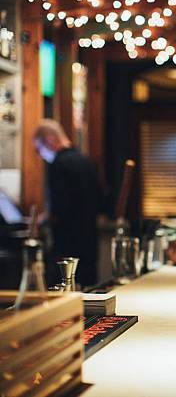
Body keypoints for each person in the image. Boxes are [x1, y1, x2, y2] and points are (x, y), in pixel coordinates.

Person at [34, 119, 100, 287]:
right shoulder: (85, 160)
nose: (40, 155)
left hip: (67, 243)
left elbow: (60, 207)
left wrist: (44, 219)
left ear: (49, 139)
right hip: (90, 241)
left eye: (38, 149)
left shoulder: (58, 164)